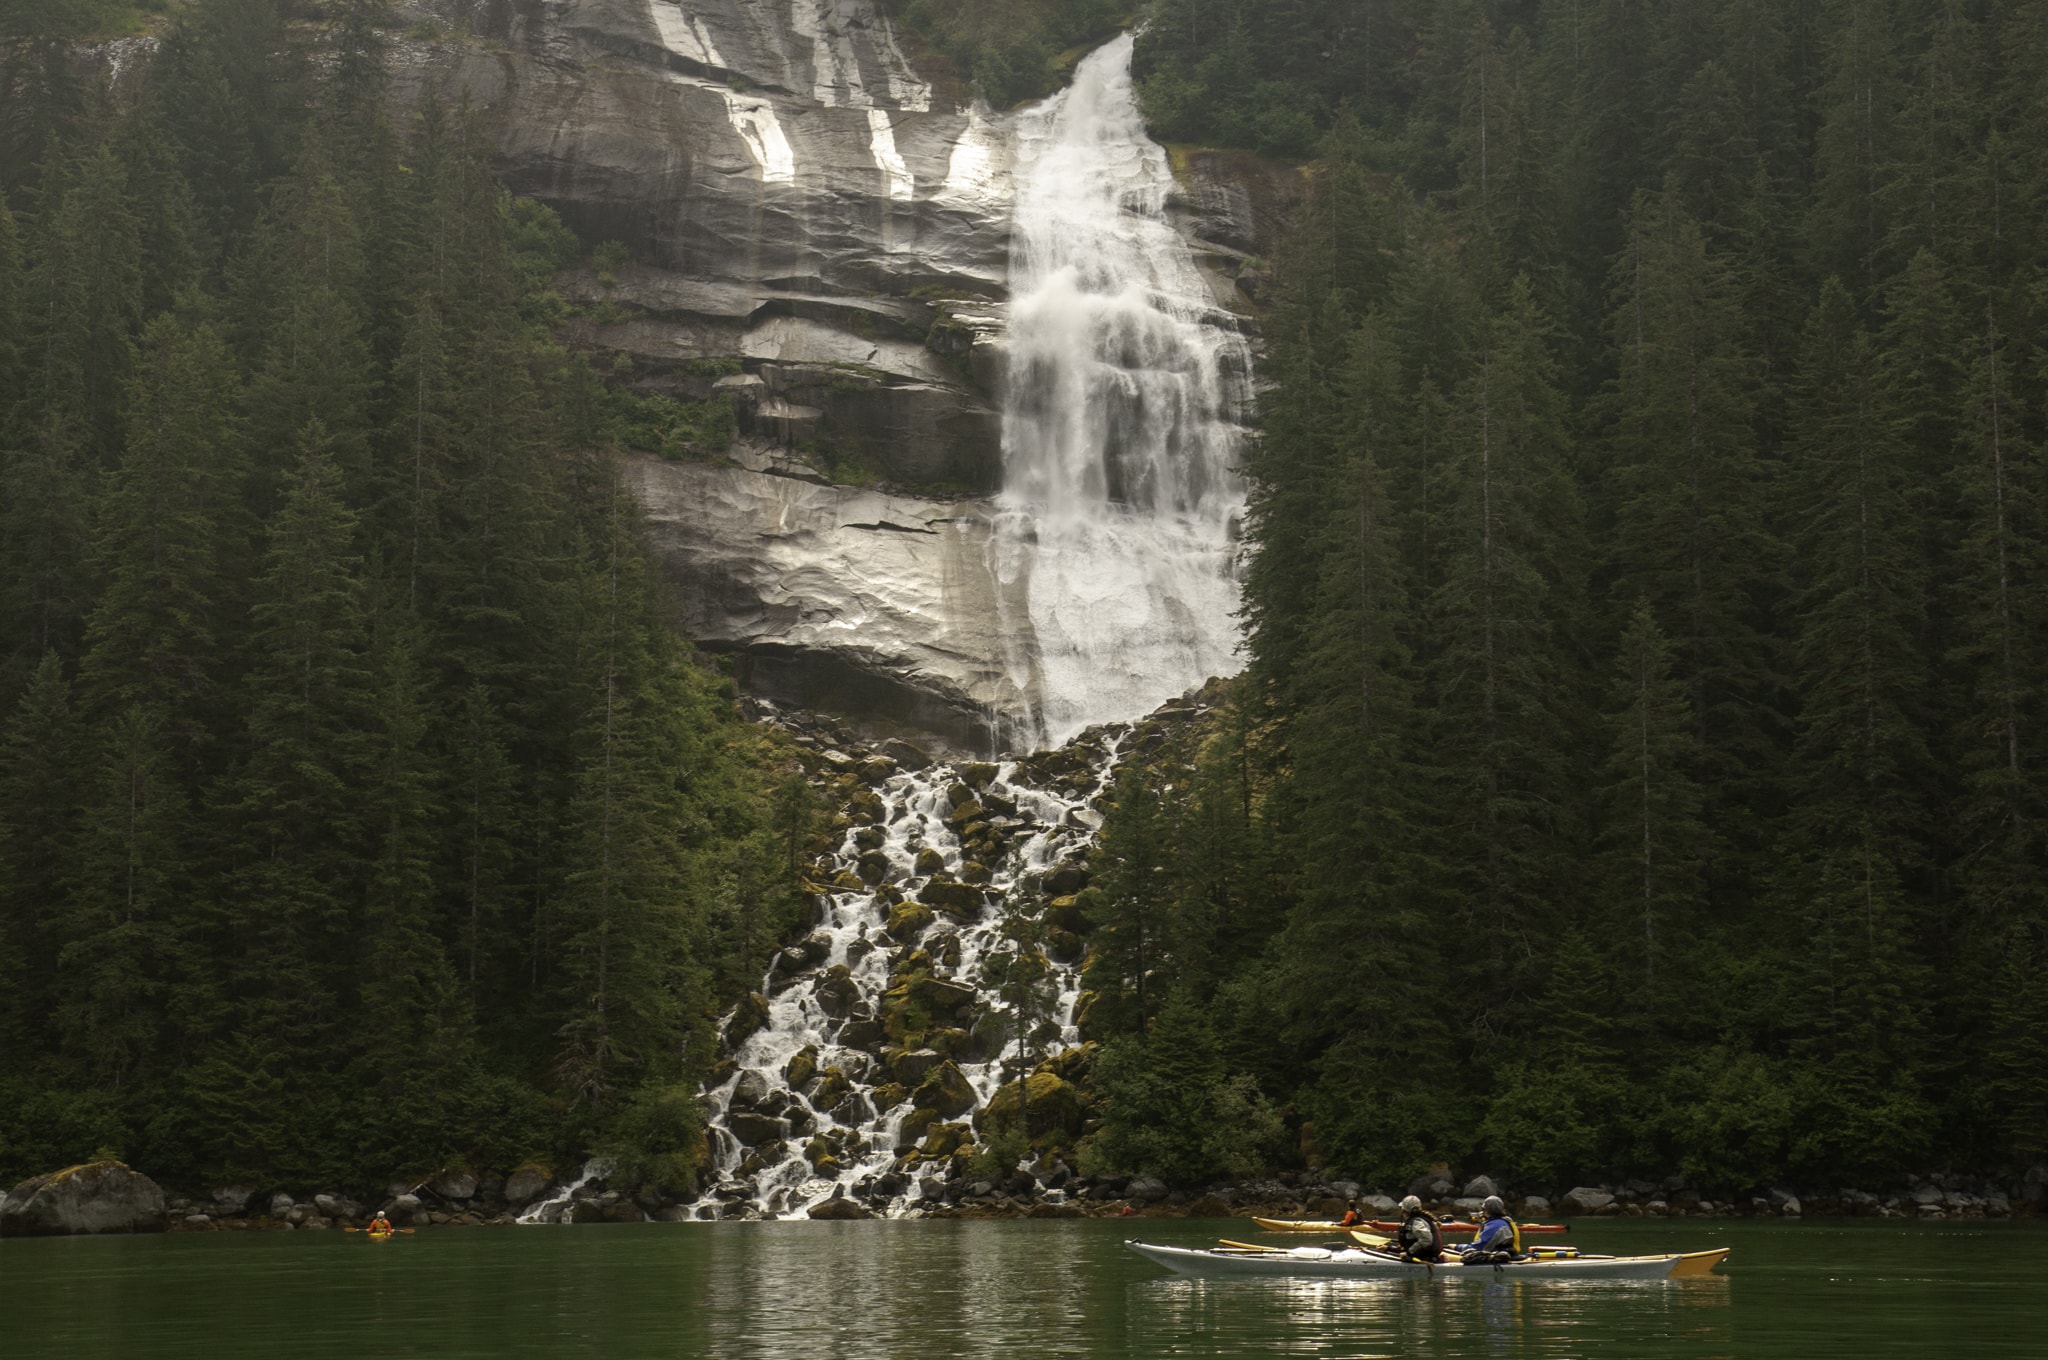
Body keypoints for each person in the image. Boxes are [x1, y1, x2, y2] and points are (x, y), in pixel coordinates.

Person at [1459, 1196, 1520, 1264]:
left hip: (1499, 1257)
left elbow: (1480, 1247)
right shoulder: (1501, 1222)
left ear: (1487, 1210)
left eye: (1483, 1209)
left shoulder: (1495, 1225)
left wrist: (1457, 1247)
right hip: (1505, 1254)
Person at [1393, 1194, 1443, 1262]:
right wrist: (1389, 1248)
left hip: (1424, 1259)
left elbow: (1426, 1240)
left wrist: (1409, 1253)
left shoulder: (1417, 1222)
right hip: (1421, 1256)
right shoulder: (1421, 1219)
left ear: (1404, 1210)